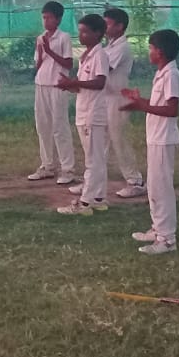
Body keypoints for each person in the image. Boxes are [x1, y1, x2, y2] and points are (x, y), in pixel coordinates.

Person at [121, 29, 179, 254]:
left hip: (164, 139)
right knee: (154, 187)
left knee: (161, 188)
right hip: (156, 137)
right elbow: (159, 104)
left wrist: (142, 105)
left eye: (151, 48)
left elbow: (172, 109)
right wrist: (139, 102)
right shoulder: (162, 73)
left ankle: (167, 239)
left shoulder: (171, 74)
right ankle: (158, 229)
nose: (149, 52)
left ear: (161, 51)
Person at [55, 14, 110, 215]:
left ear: (98, 33)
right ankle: (98, 198)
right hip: (85, 111)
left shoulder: (99, 55)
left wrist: (74, 82)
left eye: (85, 32)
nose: (81, 35)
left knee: (93, 160)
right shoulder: (86, 55)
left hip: (92, 114)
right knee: (96, 158)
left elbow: (100, 82)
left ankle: (85, 203)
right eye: (80, 31)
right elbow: (83, 86)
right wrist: (69, 85)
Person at [27, 0, 76, 185]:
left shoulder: (64, 37)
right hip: (41, 83)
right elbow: (38, 64)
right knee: (43, 126)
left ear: (58, 19)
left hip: (57, 84)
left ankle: (67, 169)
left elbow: (68, 63)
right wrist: (42, 52)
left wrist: (49, 50)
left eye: (49, 18)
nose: (46, 21)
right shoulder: (41, 38)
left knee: (59, 127)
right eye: (44, 18)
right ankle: (47, 165)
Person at [103, 8, 146, 199]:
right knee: (100, 140)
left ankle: (135, 181)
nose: (104, 27)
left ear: (120, 26)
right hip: (105, 97)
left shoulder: (122, 47)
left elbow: (103, 68)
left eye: (108, 24)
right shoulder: (109, 46)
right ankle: (93, 178)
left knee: (118, 139)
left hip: (118, 98)